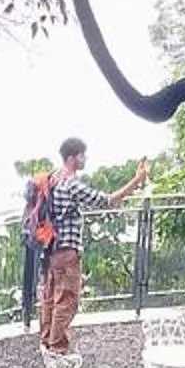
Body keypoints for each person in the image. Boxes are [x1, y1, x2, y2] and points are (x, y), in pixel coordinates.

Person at [33, 135, 148, 352]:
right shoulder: (71, 183)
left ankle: (47, 342)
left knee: (51, 298)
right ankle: (58, 348)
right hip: (67, 251)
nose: (85, 158)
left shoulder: (53, 179)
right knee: (67, 300)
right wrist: (137, 180)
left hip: (51, 250)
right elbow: (107, 201)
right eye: (82, 155)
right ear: (72, 158)